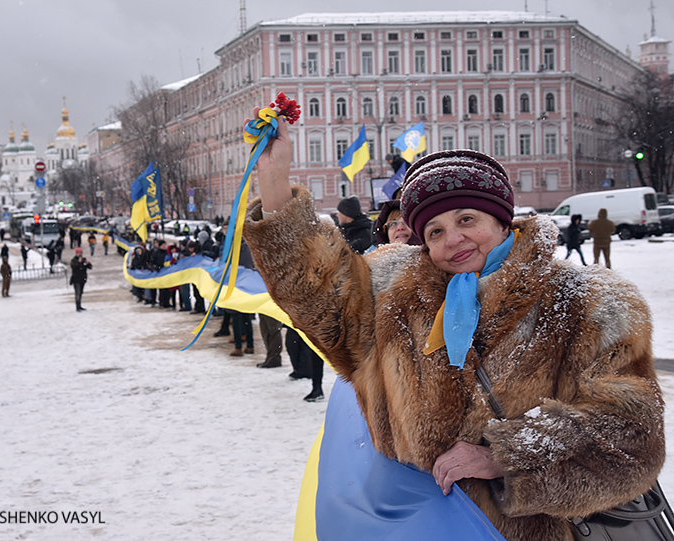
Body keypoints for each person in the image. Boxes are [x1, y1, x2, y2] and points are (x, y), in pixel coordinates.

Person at [243, 108, 663, 541]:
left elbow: (630, 432)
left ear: (502, 220)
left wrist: (504, 456)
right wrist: (274, 178)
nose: (453, 240)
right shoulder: (393, 293)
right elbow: (315, 288)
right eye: (435, 232)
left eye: (467, 220)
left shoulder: (592, 302)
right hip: (414, 527)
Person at [70, 247, 92, 312]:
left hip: (82, 278)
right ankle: (77, 307)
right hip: (76, 279)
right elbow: (73, 266)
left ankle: (80, 305)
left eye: (80, 252)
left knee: (81, 292)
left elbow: (90, 267)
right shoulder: (73, 260)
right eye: (78, 252)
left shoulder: (84, 259)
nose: (80, 254)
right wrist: (78, 262)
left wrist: (88, 263)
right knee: (78, 292)